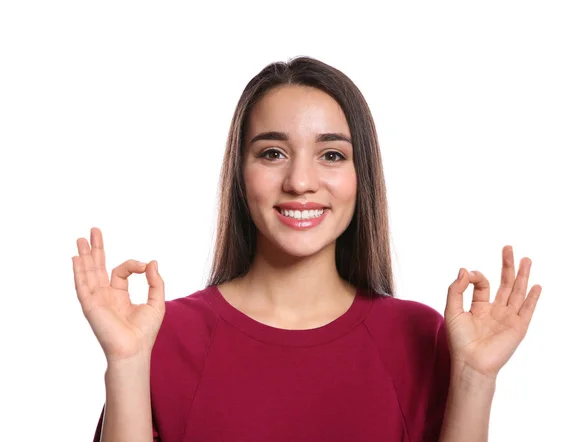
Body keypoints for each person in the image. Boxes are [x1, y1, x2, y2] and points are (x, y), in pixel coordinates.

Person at [73, 56, 542, 442]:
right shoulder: (163, 335)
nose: (300, 181)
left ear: (363, 178)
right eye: (272, 153)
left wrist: (476, 378)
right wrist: (128, 363)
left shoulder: (420, 336)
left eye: (332, 155)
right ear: (240, 175)